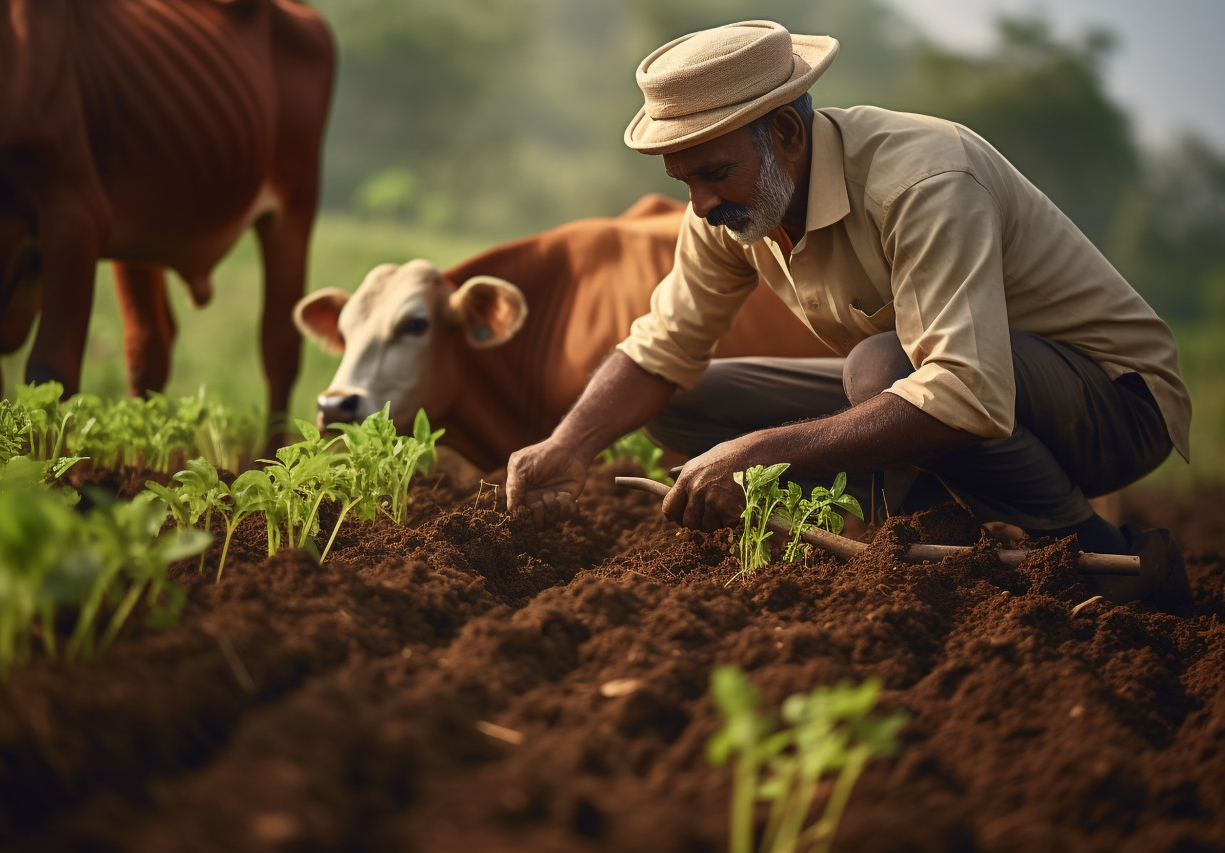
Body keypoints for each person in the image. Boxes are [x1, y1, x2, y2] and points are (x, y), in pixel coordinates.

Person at [505, 20, 1192, 606]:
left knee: (880, 365)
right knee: (687, 403)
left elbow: (965, 388)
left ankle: (1091, 557)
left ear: (784, 134)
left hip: (1112, 406)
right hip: (957, 395)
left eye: (713, 173)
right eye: (683, 181)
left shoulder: (923, 180)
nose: (699, 205)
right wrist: (566, 448)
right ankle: (931, 529)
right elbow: (663, 346)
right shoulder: (730, 212)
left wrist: (760, 450)